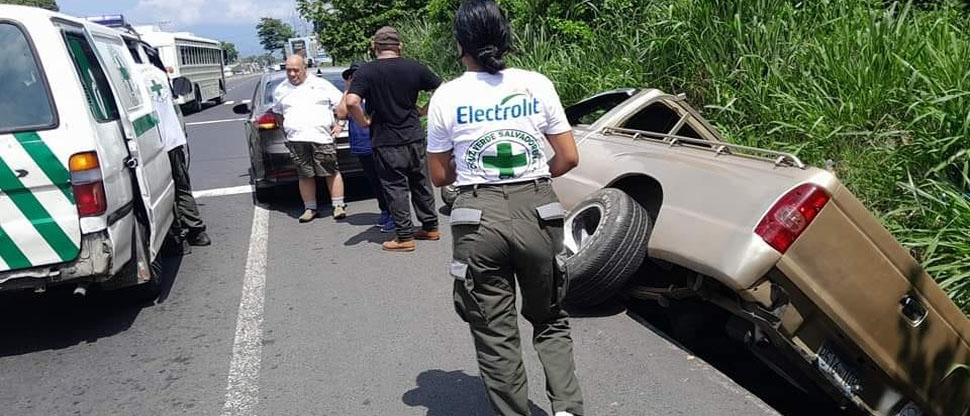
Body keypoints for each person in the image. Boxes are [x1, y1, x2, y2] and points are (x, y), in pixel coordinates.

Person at [425, 1, 584, 415]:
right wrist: (531, 176)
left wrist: (477, 169)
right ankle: (567, 409)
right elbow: (567, 157)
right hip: (538, 210)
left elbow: (439, 176)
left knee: (495, 331)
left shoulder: (447, 95)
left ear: (461, 43)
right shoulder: (537, 84)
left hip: (477, 218)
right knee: (549, 318)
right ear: (505, 38)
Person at [345, 26, 442, 252]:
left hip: (385, 138)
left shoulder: (367, 72)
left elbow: (351, 102)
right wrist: (424, 109)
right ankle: (430, 226)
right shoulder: (414, 67)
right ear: (400, 46)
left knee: (395, 187)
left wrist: (362, 122)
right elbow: (443, 88)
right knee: (420, 182)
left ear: (374, 46)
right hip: (414, 135)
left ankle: (405, 236)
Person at [140, 56, 211, 248]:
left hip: (151, 144)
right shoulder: (157, 74)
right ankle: (196, 231)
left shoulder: (133, 75)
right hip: (172, 140)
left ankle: (176, 235)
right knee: (181, 188)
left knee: (160, 193)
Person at [270, 54, 347, 222]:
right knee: (305, 174)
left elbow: (342, 103)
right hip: (297, 139)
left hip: (321, 137)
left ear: (304, 69)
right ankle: (310, 208)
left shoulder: (320, 85)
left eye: (295, 70)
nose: (291, 74)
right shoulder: (281, 90)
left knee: (330, 171)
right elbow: (278, 114)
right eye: (288, 70)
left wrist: (340, 123)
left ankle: (338, 205)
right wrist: (288, 131)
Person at [338, 62, 393, 232]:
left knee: (387, 181)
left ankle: (394, 214)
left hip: (379, 141)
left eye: (357, 75)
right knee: (374, 182)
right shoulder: (350, 96)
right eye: (350, 76)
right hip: (362, 146)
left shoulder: (374, 91)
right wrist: (348, 89)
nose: (354, 79)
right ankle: (385, 211)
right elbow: (341, 113)